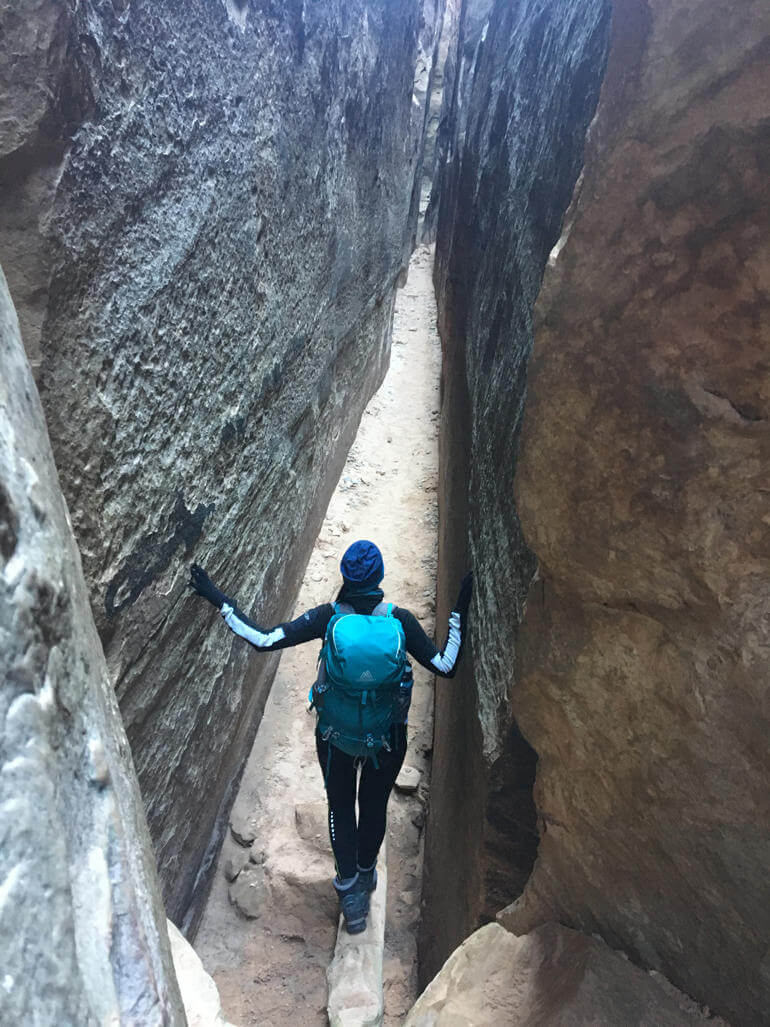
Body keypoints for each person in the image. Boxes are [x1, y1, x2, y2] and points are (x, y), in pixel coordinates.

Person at [189, 539, 472, 934]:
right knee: (373, 805)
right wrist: (461, 607)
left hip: (335, 736)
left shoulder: (328, 617)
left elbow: (264, 640)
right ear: (380, 577)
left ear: (345, 577)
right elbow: (445, 664)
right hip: (387, 737)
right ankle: (366, 874)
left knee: (340, 806)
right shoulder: (400, 620)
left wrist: (217, 598)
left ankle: (350, 895)